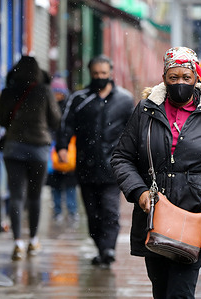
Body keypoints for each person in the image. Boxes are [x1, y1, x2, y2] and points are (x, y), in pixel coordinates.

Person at [110, 46, 201, 298]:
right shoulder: (145, 111)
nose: (180, 83)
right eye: (173, 78)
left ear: (197, 78)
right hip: (154, 218)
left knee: (180, 294)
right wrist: (138, 192)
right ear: (164, 78)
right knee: (161, 292)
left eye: (186, 77)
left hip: (194, 216)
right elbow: (121, 157)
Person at [56, 55, 134, 268]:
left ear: (111, 73)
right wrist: (62, 147)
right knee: (92, 214)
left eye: (104, 74)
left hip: (113, 167)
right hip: (86, 166)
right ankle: (102, 249)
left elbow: (133, 132)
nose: (100, 77)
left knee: (110, 211)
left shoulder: (125, 100)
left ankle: (108, 249)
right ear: (90, 74)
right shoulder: (79, 99)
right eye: (96, 74)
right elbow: (66, 125)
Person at [0, 56, 61, 260]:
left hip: (13, 147)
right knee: (34, 196)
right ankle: (33, 240)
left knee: (16, 196)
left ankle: (17, 243)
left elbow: (1, 119)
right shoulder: (44, 91)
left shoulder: (8, 92)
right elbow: (56, 120)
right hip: (38, 150)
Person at [47, 76, 78, 224]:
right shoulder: (50, 106)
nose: (57, 95)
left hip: (67, 150)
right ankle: (58, 211)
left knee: (70, 185)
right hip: (53, 151)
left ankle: (72, 212)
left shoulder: (68, 107)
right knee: (56, 186)